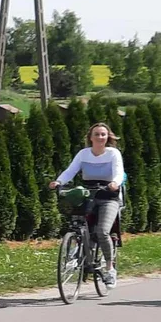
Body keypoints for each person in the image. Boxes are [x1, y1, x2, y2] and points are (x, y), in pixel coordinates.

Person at [49, 122, 124, 288]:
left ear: (108, 137)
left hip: (108, 195)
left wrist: (115, 183)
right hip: (88, 193)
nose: (100, 137)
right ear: (90, 138)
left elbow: (119, 172)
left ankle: (109, 268)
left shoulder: (113, 153)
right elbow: (71, 170)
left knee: (103, 231)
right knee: (79, 226)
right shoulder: (83, 154)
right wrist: (59, 181)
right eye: (96, 134)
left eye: (103, 134)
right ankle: (77, 253)